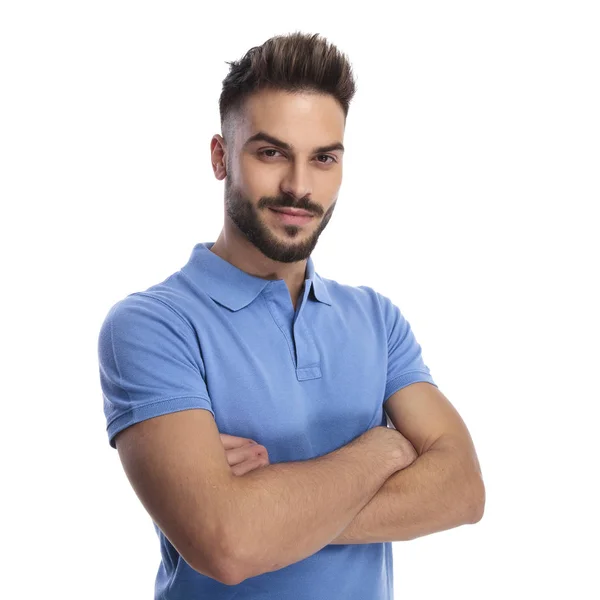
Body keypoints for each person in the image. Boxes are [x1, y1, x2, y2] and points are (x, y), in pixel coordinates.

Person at [97, 31, 485, 600]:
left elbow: (464, 492)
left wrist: (267, 512)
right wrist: (384, 449)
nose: (299, 187)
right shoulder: (153, 326)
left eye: (324, 158)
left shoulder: (377, 319)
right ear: (220, 156)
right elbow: (226, 544)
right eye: (271, 152)